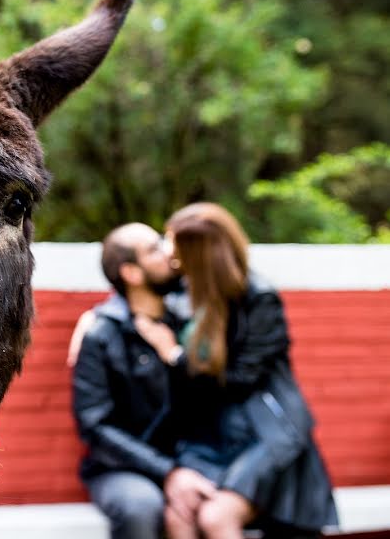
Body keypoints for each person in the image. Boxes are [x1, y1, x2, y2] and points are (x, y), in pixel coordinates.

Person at [133, 203, 338, 538]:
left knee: (215, 516)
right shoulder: (184, 290)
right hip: (210, 435)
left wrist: (173, 354)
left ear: (198, 255)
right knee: (180, 515)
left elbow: (242, 380)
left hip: (263, 432)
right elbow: (133, 295)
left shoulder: (259, 299)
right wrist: (93, 319)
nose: (168, 252)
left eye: (173, 243)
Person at [71, 222, 217, 539]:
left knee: (221, 501)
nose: (169, 253)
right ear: (132, 273)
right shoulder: (101, 334)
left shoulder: (188, 320)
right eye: (154, 249)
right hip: (122, 469)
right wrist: (168, 472)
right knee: (142, 508)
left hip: (194, 457)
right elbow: (95, 425)